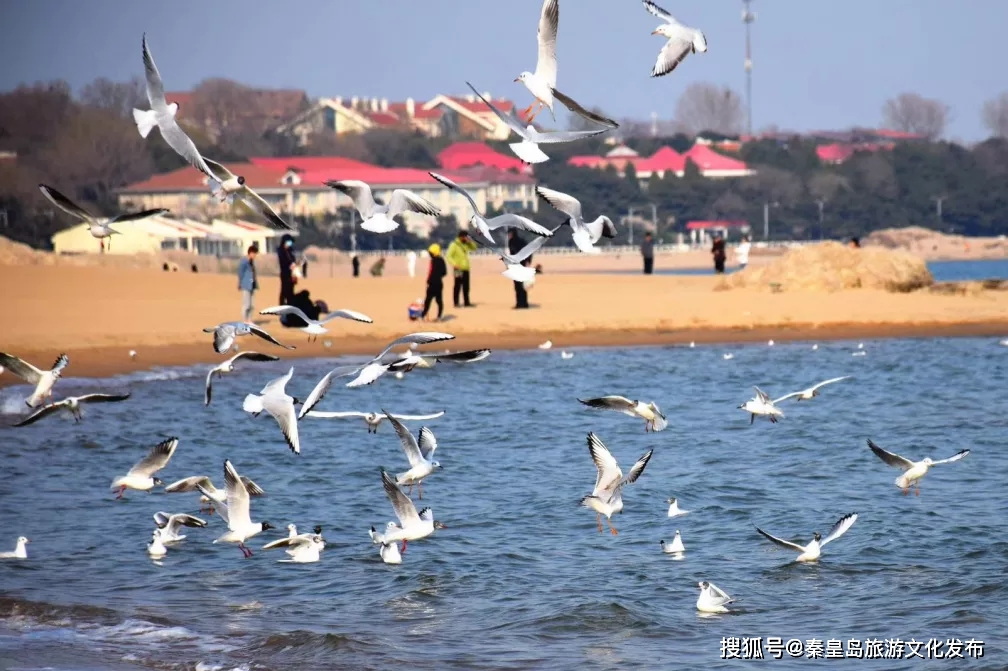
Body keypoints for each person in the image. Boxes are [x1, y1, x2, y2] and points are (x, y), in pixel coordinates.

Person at [446, 229, 478, 308]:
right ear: (461, 237)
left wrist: (470, 242)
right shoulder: (454, 245)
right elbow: (449, 256)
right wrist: (454, 264)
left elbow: (474, 248)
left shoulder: (466, 244)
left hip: (466, 268)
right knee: (457, 285)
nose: (466, 238)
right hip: (458, 268)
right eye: (465, 237)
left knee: (466, 286)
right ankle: (456, 302)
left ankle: (467, 302)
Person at [422, 243, 447, 321]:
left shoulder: (433, 261)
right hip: (439, 283)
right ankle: (439, 316)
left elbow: (431, 272)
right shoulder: (441, 260)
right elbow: (444, 272)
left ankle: (423, 315)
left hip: (432, 283)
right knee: (439, 300)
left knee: (428, 300)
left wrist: (430, 280)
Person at [508, 230, 531, 309]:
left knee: (520, 286)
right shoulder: (511, 242)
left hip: (521, 265)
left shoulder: (519, 242)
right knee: (518, 286)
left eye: (510, 234)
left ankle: (522, 303)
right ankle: (521, 303)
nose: (509, 235)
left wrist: (528, 261)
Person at [238, 244, 258, 321]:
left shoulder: (252, 262)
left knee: (252, 304)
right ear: (250, 253)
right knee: (246, 304)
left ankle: (249, 320)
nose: (255, 255)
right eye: (254, 253)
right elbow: (240, 273)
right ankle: (244, 320)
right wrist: (240, 283)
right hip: (246, 285)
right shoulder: (244, 261)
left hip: (252, 285)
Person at [277, 234, 297, 305]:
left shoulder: (290, 251)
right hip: (285, 274)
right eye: (289, 242)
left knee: (291, 292)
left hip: (292, 274)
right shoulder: (281, 251)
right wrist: (290, 266)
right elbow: (283, 262)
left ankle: (290, 306)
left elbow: (293, 261)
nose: (290, 244)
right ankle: (282, 307)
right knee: (284, 291)